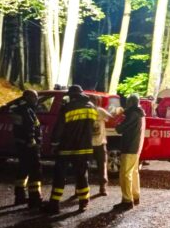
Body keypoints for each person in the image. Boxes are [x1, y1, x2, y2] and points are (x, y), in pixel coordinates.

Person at [45, 85, 97, 214]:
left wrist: (54, 143)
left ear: (72, 95)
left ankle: (54, 204)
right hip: (85, 148)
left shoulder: (67, 107)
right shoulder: (92, 107)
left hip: (66, 148)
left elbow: (59, 128)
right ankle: (83, 203)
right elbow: (95, 127)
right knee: (82, 175)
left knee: (60, 175)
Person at [114, 93, 146, 211]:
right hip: (136, 147)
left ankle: (127, 200)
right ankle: (135, 196)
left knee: (125, 174)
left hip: (129, 147)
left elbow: (119, 129)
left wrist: (118, 120)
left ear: (130, 103)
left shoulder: (132, 114)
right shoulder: (140, 113)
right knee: (133, 173)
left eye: (127, 102)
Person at [13, 90, 43, 208]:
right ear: (27, 97)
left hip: (21, 144)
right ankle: (35, 198)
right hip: (29, 145)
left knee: (23, 169)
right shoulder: (26, 110)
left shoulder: (19, 108)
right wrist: (32, 142)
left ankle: (20, 196)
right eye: (34, 97)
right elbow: (29, 127)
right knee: (35, 170)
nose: (36, 99)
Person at [89, 95, 112, 197]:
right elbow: (111, 118)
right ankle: (102, 188)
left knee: (88, 167)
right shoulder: (99, 111)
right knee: (100, 167)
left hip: (94, 143)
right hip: (97, 143)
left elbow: (110, 118)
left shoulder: (93, 111)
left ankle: (102, 188)